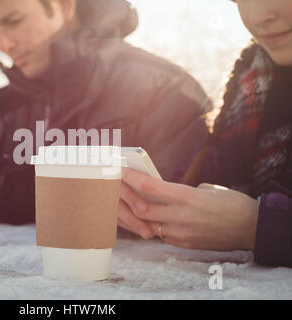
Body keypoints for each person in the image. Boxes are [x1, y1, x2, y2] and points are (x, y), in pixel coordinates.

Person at [0, 0, 212, 225]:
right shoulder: (19, 98)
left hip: (131, 279)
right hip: (22, 275)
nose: (4, 45)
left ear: (65, 6)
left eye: (15, 21)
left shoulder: (165, 88)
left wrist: (37, 199)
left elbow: (179, 208)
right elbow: (2, 178)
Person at [119, 0, 292, 268]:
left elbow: (247, 221)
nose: (258, 16)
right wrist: (145, 203)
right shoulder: (251, 82)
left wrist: (258, 225)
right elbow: (208, 184)